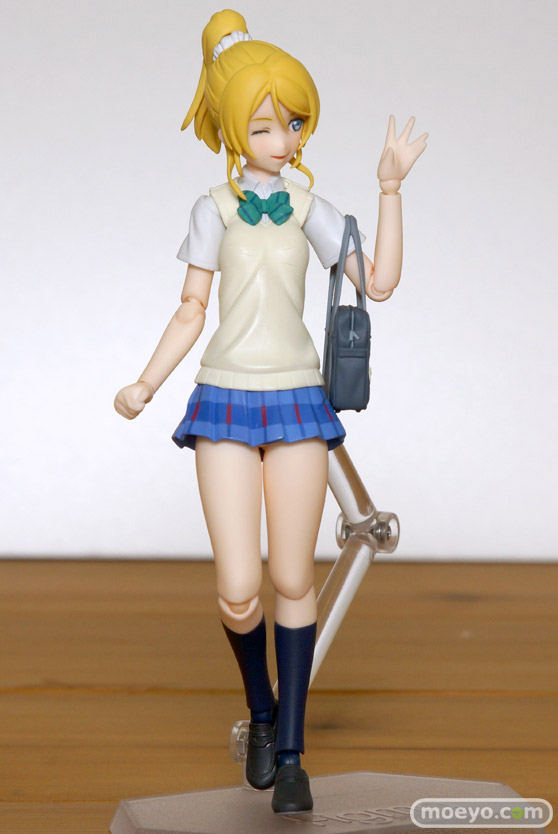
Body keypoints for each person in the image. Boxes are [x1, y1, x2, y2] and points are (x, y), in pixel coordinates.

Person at [114, 9, 427, 815]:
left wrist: (390, 189)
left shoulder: (309, 208)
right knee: (237, 588)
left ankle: (290, 753)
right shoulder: (212, 210)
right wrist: (146, 383)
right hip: (223, 397)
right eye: (263, 125)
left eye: (292, 123)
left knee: (293, 577)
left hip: (298, 400)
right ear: (230, 128)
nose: (282, 139)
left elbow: (378, 282)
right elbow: (191, 309)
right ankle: (260, 708)